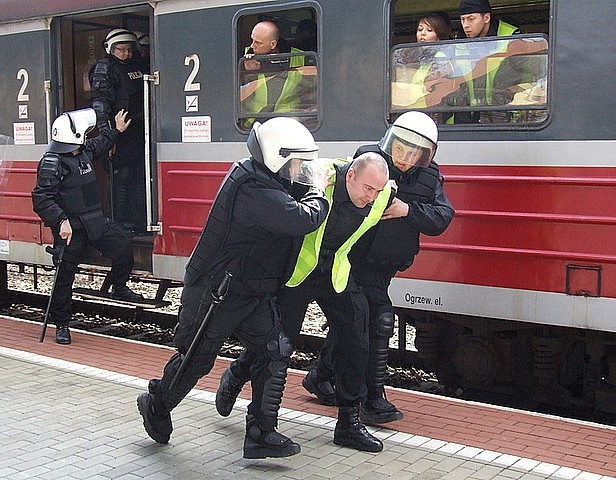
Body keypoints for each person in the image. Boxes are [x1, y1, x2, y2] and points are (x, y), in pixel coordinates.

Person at [136, 117, 330, 459]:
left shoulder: (264, 178)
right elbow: (302, 218)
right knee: (194, 360)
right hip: (217, 292)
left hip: (250, 290)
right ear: (275, 157)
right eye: (297, 163)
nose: (301, 170)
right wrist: (320, 190)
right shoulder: (251, 187)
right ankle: (157, 403)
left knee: (274, 350)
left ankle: (261, 433)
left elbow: (289, 197)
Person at [215, 152, 393, 453]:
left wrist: (409, 209)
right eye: (367, 188)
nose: (372, 197)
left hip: (334, 272)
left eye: (378, 191)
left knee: (357, 336)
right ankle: (237, 376)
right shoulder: (320, 176)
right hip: (299, 272)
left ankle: (349, 423)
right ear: (350, 176)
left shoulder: (382, 192)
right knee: (277, 343)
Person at [302, 111, 454, 425]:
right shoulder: (368, 160)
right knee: (378, 321)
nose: (405, 157)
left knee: (358, 323)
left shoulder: (430, 176)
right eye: (400, 148)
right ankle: (371, 398)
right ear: (390, 141)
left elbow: (442, 216)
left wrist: (406, 209)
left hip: (385, 265)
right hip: (354, 261)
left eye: (415, 153)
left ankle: (320, 376)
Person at [31, 108, 145, 345]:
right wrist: (61, 220)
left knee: (123, 244)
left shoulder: (81, 151)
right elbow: (42, 199)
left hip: (95, 221)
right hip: (71, 228)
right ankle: (62, 325)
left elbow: (100, 144)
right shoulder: (52, 162)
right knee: (64, 279)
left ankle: (119, 285)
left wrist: (117, 130)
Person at [89, 29, 148, 234]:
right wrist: (109, 136)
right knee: (120, 177)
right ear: (110, 49)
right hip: (119, 133)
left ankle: (138, 221)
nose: (126, 54)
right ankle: (119, 224)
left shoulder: (138, 66)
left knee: (139, 176)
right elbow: (100, 104)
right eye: (121, 50)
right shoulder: (105, 68)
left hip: (139, 130)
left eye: (129, 50)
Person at [453, 0, 522, 123]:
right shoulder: (458, 42)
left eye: (471, 19)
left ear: (486, 17)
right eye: (462, 19)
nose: (465, 25)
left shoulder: (511, 36)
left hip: (505, 115)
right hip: (467, 116)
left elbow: (526, 79)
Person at [240, 21, 307, 127]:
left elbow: (308, 91)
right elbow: (237, 93)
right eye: (252, 40)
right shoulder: (245, 56)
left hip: (286, 123)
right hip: (252, 124)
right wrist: (248, 72)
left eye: (258, 42)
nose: (252, 46)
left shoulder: (300, 57)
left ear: (273, 44)